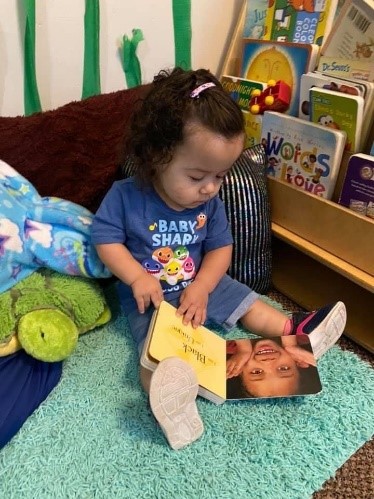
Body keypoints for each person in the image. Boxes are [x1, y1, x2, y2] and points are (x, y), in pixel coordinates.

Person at [91, 67, 347, 450]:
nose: (210, 188)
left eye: (221, 176)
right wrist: (136, 278)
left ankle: (297, 333)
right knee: (152, 352)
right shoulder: (127, 195)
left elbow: (220, 248)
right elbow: (104, 238)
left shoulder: (209, 204)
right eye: (197, 177)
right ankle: (171, 401)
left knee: (248, 303)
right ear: (157, 157)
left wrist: (203, 286)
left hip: (201, 283)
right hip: (154, 298)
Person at [226, 336, 320, 399]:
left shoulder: (227, 344)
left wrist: (243, 348)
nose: (268, 362)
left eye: (257, 372)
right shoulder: (304, 337)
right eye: (283, 369)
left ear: (239, 370)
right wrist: (291, 344)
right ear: (299, 362)